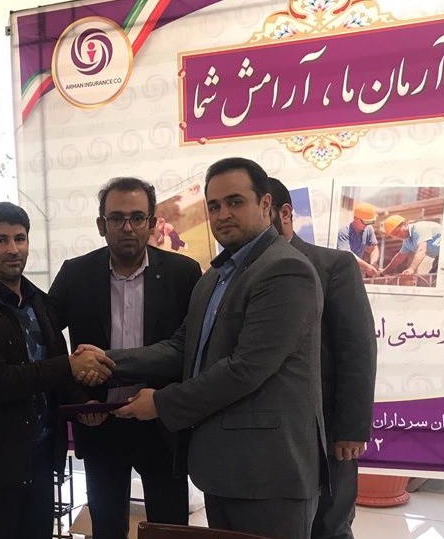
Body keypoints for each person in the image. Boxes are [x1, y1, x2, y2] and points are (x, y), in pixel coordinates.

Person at [104, 158, 327, 539]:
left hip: (270, 472)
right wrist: (109, 361)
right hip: (222, 467)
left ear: (266, 204)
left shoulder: (285, 270)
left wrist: (161, 403)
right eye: (214, 206)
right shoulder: (215, 278)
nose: (223, 214)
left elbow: (245, 369)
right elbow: (181, 347)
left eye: (235, 201)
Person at [0, 202, 113, 539]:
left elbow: (55, 362)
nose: (13, 249)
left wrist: (82, 404)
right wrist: (68, 366)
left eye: (20, 239)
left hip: (41, 457)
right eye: (1, 240)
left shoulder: (39, 300)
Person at [49, 177, 202, 539]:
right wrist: (78, 399)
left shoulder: (183, 274)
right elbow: (48, 340)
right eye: (116, 218)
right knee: (106, 527)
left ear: (152, 223)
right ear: (101, 225)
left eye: (137, 217)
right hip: (100, 422)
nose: (128, 227)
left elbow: (190, 349)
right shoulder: (76, 274)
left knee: (169, 529)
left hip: (161, 421)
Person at [268, 178, 377, 539]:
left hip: (327, 430)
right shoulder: (234, 275)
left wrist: (351, 429)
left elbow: (357, 349)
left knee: (329, 523)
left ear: (284, 213)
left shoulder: (332, 265)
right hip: (268, 435)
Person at [335, 202, 380, 277]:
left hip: (354, 270)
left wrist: (373, 263)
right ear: (355, 218)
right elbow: (347, 254)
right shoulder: (344, 232)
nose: (367, 225)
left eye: (370, 222)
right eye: (365, 222)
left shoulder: (368, 229)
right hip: (340, 270)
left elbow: (374, 248)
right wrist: (366, 266)